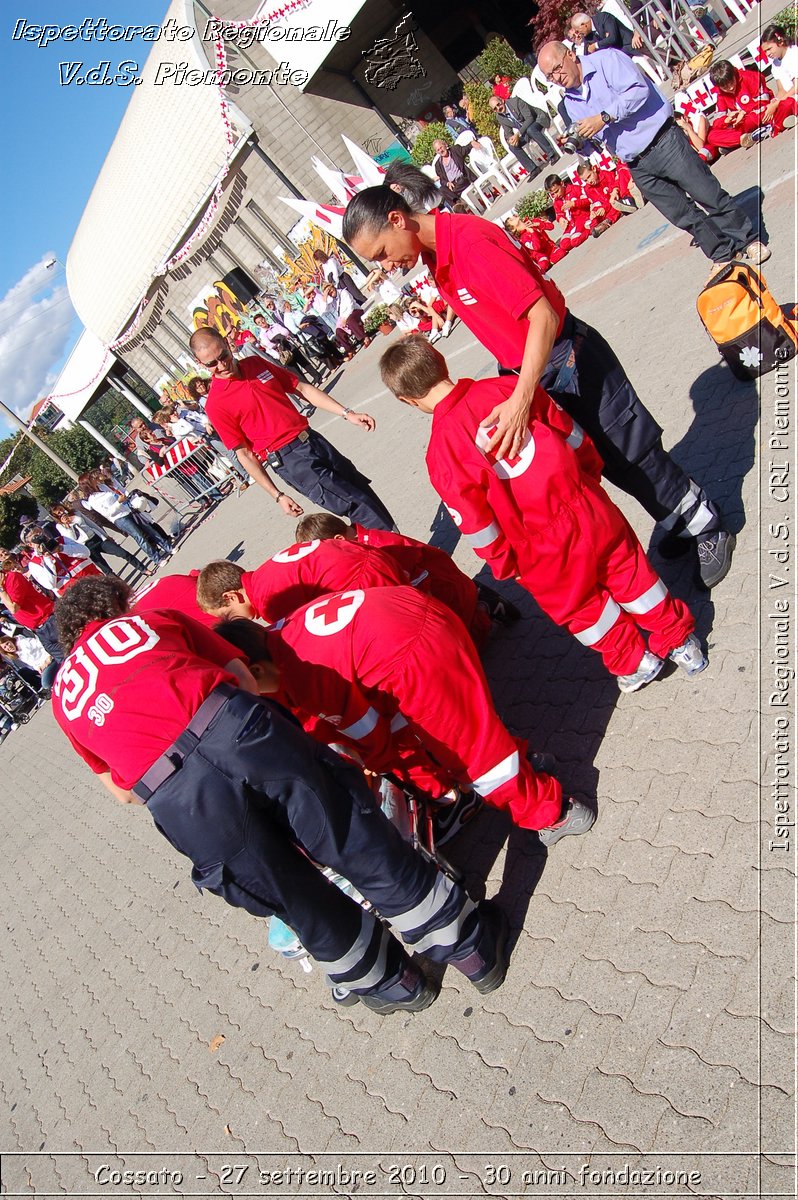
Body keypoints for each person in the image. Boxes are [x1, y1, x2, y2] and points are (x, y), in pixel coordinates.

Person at [51, 575, 509, 1014]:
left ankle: (392, 986)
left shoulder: (62, 697)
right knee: (344, 828)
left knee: (287, 891)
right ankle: (469, 948)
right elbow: (240, 674)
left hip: (174, 795)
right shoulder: (145, 623)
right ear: (114, 606)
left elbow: (121, 792)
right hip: (231, 728)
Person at [342, 188, 734, 590]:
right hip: (537, 370)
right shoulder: (436, 256)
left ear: (396, 220)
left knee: (631, 450)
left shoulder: (468, 242)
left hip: (567, 357)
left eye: (381, 254)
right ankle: (676, 520)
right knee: (606, 459)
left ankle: (706, 523)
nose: (387, 266)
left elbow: (542, 316)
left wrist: (521, 397)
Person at [380, 335, 707, 693]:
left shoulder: (441, 453)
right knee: (630, 571)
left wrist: (506, 565)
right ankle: (680, 642)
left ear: (406, 400)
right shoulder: (507, 388)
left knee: (582, 607)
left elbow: (477, 524)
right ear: (441, 359)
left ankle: (633, 661)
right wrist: (589, 477)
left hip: (536, 543)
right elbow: (571, 433)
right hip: (583, 502)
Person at [211, 584, 592, 848]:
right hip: (419, 617)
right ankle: (526, 762)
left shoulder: (302, 676)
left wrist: (379, 769)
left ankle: (552, 812)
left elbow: (374, 738)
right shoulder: (286, 631)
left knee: (473, 755)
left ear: (255, 671)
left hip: (415, 659)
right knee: (477, 729)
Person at [536, 42, 769, 276]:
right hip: (636, 163)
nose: (556, 77)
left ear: (570, 54)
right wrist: (581, 142)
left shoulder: (607, 60)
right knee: (682, 214)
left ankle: (748, 240)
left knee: (708, 194)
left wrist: (603, 117)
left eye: (557, 68)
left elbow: (638, 91)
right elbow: (597, 137)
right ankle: (722, 253)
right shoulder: (570, 103)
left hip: (663, 139)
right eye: (549, 76)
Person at [189, 327, 395, 529]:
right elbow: (244, 454)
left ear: (227, 343)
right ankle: (403, 554)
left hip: (312, 440)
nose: (222, 365)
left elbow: (301, 388)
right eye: (212, 364)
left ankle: (391, 552)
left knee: (361, 489)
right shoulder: (216, 404)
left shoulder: (255, 363)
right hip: (290, 460)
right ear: (200, 364)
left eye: (223, 355)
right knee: (355, 504)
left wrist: (347, 413)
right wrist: (277, 495)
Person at [293, 511, 517, 644]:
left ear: (340, 539)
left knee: (464, 647)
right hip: (438, 584)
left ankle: (484, 608)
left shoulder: (383, 550)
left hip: (445, 588)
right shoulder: (362, 545)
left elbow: (423, 595)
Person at [196, 540, 406, 625]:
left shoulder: (270, 602)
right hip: (365, 558)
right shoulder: (264, 576)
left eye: (226, 615)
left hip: (364, 580)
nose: (231, 622)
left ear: (231, 596)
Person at [78, 469, 171, 568]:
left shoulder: (102, 486)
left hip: (128, 509)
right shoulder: (92, 500)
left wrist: (124, 500)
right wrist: (118, 502)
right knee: (140, 537)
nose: (94, 478)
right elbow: (108, 513)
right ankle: (157, 559)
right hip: (120, 518)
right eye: (91, 478)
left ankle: (167, 547)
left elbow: (116, 494)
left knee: (148, 528)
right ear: (88, 483)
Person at [0, 550, 64, 667]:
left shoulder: (12, 579)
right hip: (40, 630)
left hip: (49, 621)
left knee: (76, 647)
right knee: (64, 661)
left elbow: (14, 608)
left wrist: (1, 590)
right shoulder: (4, 590)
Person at [705, 60, 774, 153]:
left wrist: (744, 112)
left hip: (758, 114)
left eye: (731, 82)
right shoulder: (720, 94)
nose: (730, 88)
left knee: (760, 114)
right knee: (711, 136)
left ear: (734, 74)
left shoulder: (751, 77)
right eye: (725, 87)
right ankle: (748, 137)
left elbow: (764, 102)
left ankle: (734, 143)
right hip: (742, 123)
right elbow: (717, 120)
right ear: (719, 87)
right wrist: (727, 120)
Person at [488, 95, 559, 175]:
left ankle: (552, 154)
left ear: (502, 100)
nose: (498, 108)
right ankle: (533, 169)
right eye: (495, 108)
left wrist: (518, 134)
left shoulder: (516, 102)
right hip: (525, 130)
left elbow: (530, 118)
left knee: (531, 130)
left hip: (537, 119)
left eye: (498, 104)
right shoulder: (499, 117)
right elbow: (508, 132)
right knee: (512, 146)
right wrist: (511, 139)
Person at [760, 24, 798, 135]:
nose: (768, 54)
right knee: (765, 110)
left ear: (780, 42)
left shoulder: (793, 54)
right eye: (765, 51)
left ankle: (773, 127)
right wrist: (775, 100)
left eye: (769, 49)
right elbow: (781, 90)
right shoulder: (775, 64)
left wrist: (777, 104)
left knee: (786, 105)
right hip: (788, 97)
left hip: (793, 97)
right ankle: (778, 122)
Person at [431, 139, 475, 207]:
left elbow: (465, 149)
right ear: (437, 152)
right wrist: (447, 183)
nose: (441, 150)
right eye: (438, 150)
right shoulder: (438, 165)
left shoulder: (455, 150)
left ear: (445, 145)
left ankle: (459, 205)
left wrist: (472, 143)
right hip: (453, 186)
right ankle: (458, 203)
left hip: (463, 179)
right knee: (442, 189)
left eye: (441, 147)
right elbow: (442, 180)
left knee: (450, 192)